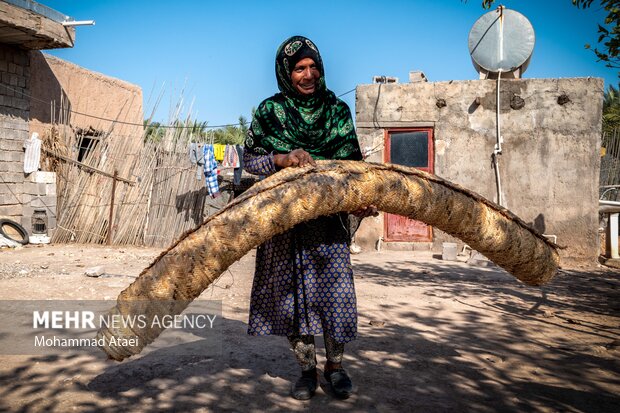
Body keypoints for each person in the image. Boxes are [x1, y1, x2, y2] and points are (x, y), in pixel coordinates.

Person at [243, 35, 377, 400]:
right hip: (283, 226)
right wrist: (282, 158)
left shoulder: (336, 111)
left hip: (327, 226)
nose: (308, 74)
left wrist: (358, 201)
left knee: (333, 296)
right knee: (290, 301)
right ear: (286, 72)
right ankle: (307, 370)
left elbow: (353, 167)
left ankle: (335, 367)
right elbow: (249, 160)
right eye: (299, 68)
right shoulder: (269, 112)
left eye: (313, 66)